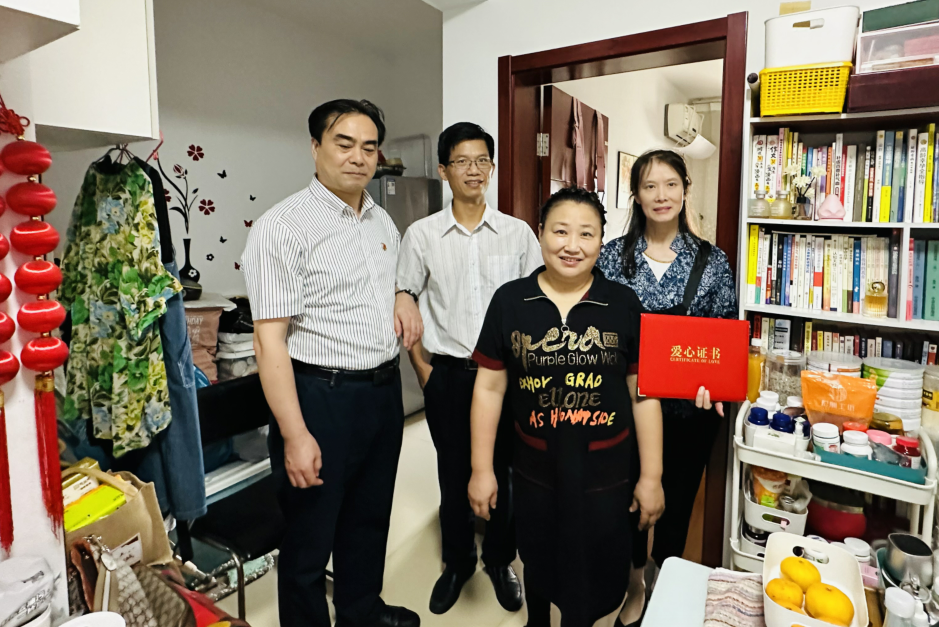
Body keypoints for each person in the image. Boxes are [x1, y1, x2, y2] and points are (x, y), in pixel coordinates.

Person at [242, 99, 423, 627]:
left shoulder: (381, 218)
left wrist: (403, 295)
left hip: (383, 393)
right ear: (315, 147)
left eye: (369, 147)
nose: (358, 157)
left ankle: (361, 612)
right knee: (309, 535)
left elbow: (387, 282)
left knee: (369, 517)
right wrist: (295, 434)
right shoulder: (283, 227)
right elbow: (268, 341)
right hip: (320, 398)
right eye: (344, 144)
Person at [468, 187, 665, 627]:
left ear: (601, 241)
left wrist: (651, 477)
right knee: (539, 554)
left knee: (596, 563)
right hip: (537, 467)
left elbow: (643, 394)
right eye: (560, 231)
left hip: (606, 471)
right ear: (540, 233)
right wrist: (482, 470)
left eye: (586, 234)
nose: (572, 245)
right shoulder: (510, 301)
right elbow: (489, 390)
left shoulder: (622, 304)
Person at [397, 122, 541, 615]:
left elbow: (536, 305)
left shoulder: (519, 234)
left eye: (482, 160)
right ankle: (457, 561)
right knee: (453, 471)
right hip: (450, 376)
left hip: (508, 379)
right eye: (462, 161)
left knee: (507, 471)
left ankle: (500, 559)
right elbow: (405, 300)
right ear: (444, 170)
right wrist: (425, 371)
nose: (473, 170)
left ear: (492, 167)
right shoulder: (421, 236)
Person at [595, 149, 737, 626]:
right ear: (635, 194)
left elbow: (723, 337)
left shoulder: (712, 262)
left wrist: (714, 385)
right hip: (625, 406)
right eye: (650, 185)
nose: (661, 195)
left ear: (685, 189)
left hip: (689, 413)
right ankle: (634, 582)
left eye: (671, 184)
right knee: (630, 499)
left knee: (676, 503)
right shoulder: (611, 257)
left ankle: (664, 578)